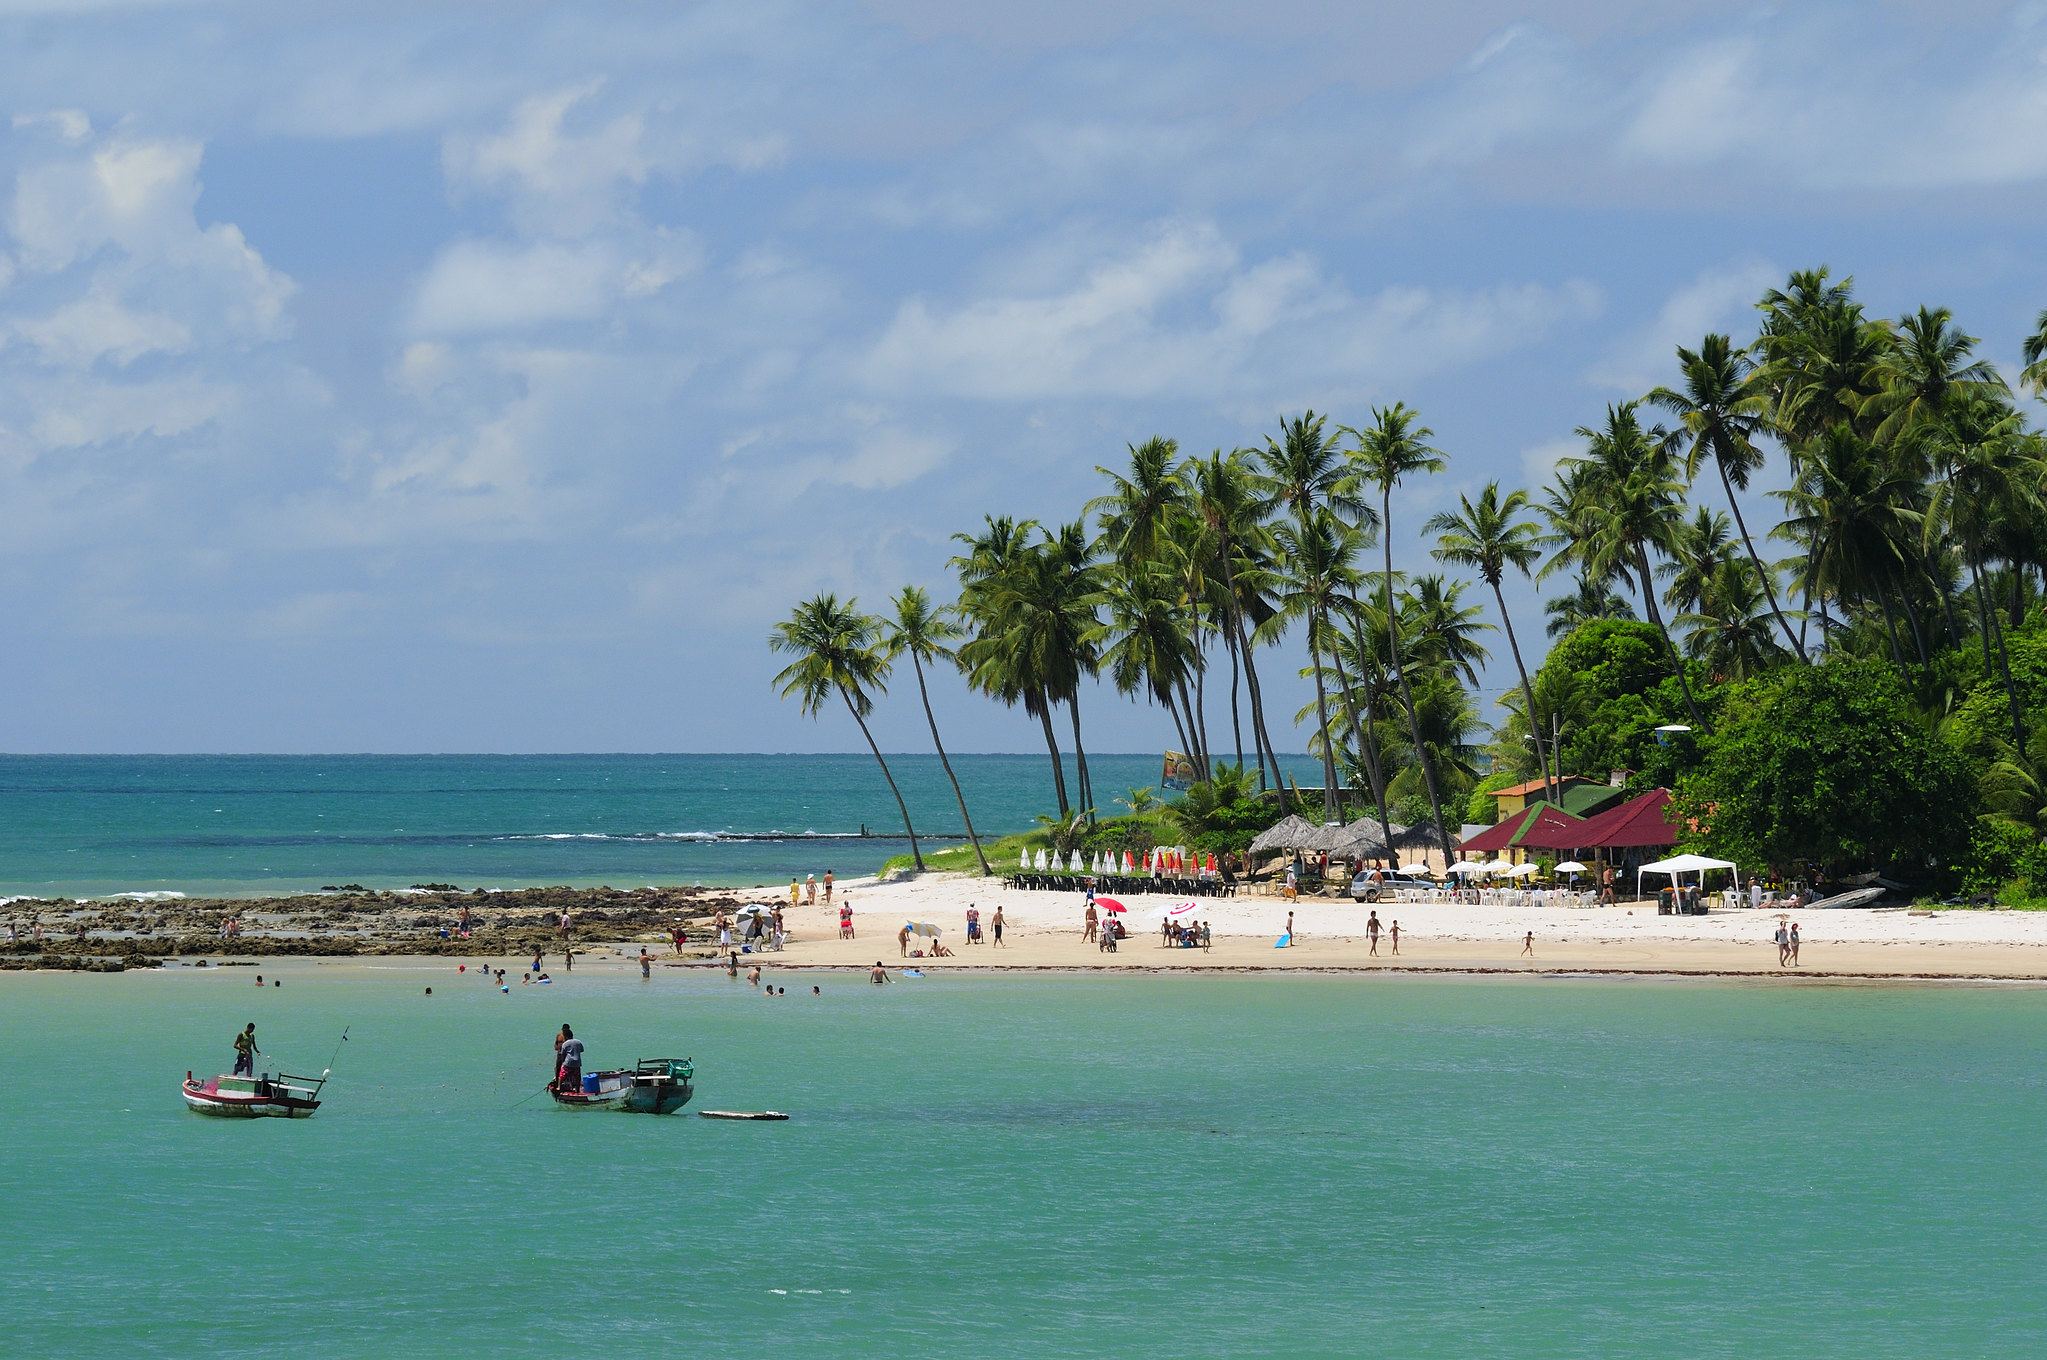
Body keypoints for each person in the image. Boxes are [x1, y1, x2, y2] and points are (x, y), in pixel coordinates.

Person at [556, 1026, 584, 1092]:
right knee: (577, 1076)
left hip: (568, 1063)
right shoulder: (578, 1042)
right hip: (577, 1063)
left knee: (562, 1075)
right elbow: (582, 1050)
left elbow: (562, 1054)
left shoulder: (565, 1043)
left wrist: (563, 1063)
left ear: (566, 1037)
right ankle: (577, 1089)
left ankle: (559, 1087)